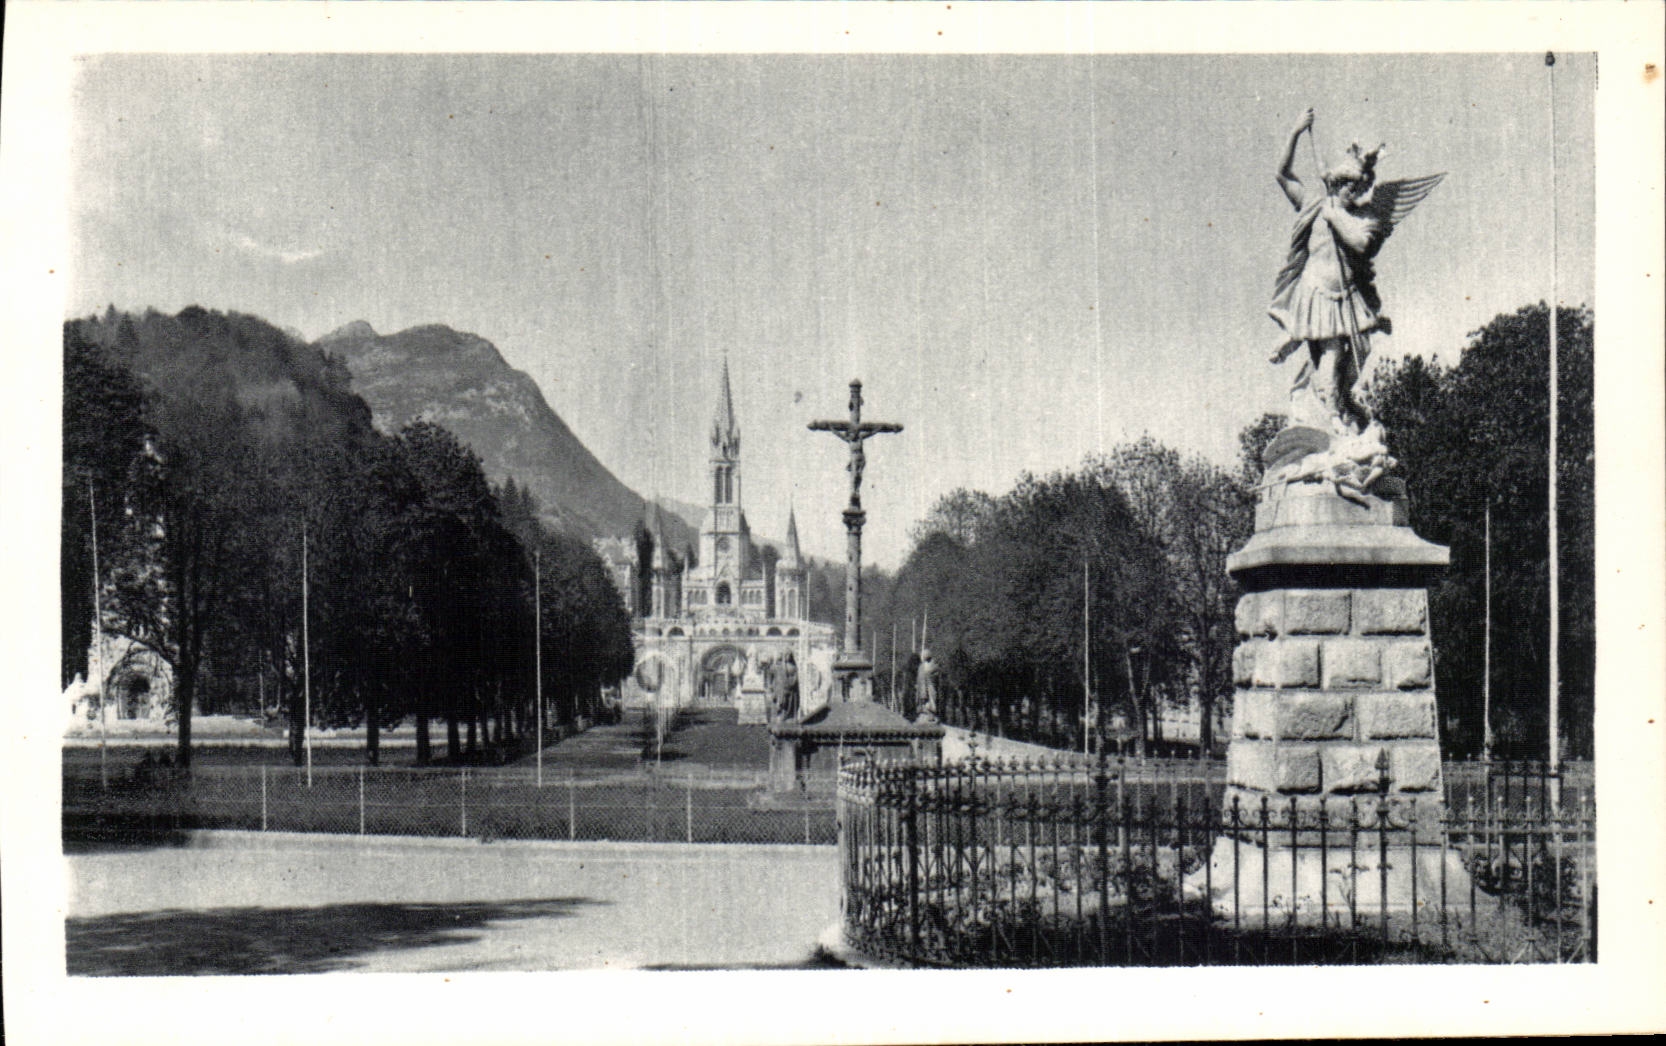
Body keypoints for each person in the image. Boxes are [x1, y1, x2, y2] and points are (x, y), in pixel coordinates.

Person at [1269, 108, 1444, 435]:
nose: (1356, 193)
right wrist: (1295, 132)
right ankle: (1331, 414)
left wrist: (1336, 217)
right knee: (1332, 353)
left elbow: (1362, 245)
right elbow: (1282, 174)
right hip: (1316, 292)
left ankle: (1336, 400)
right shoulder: (1313, 204)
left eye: (1361, 188)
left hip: (1349, 298)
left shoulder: (1365, 218)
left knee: (1355, 359)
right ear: (1338, 182)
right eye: (1351, 187)